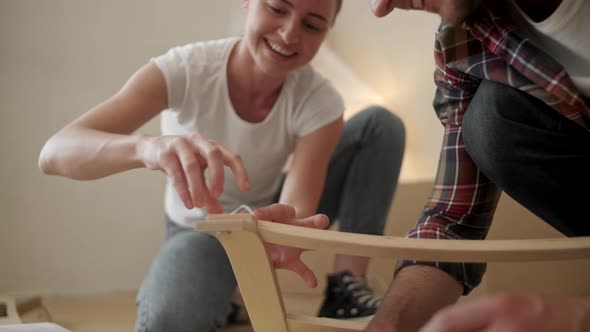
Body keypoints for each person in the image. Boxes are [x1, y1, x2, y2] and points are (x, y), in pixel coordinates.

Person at [38, 0, 406, 330]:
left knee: (379, 124)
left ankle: (345, 286)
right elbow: (54, 153)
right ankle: (224, 294)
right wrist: (148, 148)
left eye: (311, 25)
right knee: (170, 322)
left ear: (327, 31)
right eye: (278, 9)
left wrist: (284, 234)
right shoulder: (184, 69)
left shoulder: (320, 100)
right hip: (199, 230)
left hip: (264, 215)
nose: (289, 33)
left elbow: (297, 206)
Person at [353, 0, 590, 331]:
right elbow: (452, 224)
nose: (381, 7)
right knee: (491, 119)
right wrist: (389, 325)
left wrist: (578, 317)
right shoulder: (463, 46)